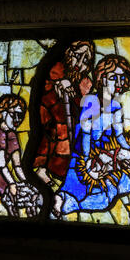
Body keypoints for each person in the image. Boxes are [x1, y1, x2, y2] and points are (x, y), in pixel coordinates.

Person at [52, 54, 130, 217]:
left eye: (122, 78)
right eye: (114, 78)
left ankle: (71, 203)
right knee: (86, 190)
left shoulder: (116, 107)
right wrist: (87, 161)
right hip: (83, 155)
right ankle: (65, 202)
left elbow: (119, 136)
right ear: (102, 79)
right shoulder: (91, 101)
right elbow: (85, 135)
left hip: (106, 154)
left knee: (123, 186)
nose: (119, 83)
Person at [34, 41, 94, 189]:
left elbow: (80, 108)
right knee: (59, 129)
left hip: (69, 120)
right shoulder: (55, 69)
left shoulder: (83, 81)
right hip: (48, 114)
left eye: (85, 61)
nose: (79, 63)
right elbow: (41, 87)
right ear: (68, 53)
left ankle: (60, 171)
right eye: (77, 56)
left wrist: (83, 96)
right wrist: (58, 83)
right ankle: (43, 168)